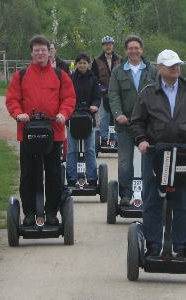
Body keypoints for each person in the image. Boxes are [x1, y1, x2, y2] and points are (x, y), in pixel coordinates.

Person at [130, 49, 186, 257]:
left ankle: (181, 245)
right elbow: (137, 121)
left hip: (183, 153)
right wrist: (142, 141)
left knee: (183, 200)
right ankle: (154, 244)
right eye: (171, 65)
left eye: (177, 64)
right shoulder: (148, 93)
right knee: (152, 199)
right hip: (155, 153)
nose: (176, 68)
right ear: (160, 68)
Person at [6, 35, 76, 226]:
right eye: (36, 50)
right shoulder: (21, 75)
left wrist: (63, 114)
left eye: (43, 50)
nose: (40, 53)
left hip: (54, 132)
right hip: (28, 133)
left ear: (49, 52)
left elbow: (69, 98)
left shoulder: (60, 75)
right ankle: (29, 213)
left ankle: (52, 212)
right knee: (28, 173)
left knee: (53, 173)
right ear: (32, 53)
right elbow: (12, 99)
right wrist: (19, 113)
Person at [108, 35, 156, 206]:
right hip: (125, 124)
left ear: (142, 50)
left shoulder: (152, 71)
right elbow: (113, 95)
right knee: (125, 162)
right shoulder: (118, 71)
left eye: (137, 48)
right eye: (130, 48)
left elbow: (159, 95)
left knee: (147, 161)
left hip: (146, 126)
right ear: (126, 50)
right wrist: (118, 114)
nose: (134, 51)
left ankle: (145, 194)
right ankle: (126, 195)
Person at [66, 53, 100, 187]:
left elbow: (97, 97)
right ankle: (71, 178)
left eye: (85, 63)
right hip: (72, 117)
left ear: (88, 64)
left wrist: (95, 106)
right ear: (76, 64)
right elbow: (66, 96)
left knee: (90, 149)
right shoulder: (70, 79)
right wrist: (69, 107)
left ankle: (92, 178)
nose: (82, 65)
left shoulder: (93, 79)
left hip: (87, 117)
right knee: (72, 149)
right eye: (79, 63)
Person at [91, 36, 122, 146]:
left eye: (110, 44)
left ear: (113, 45)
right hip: (103, 93)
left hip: (117, 93)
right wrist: (99, 86)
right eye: (106, 45)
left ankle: (117, 139)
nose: (108, 46)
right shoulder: (97, 60)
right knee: (104, 116)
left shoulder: (119, 59)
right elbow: (93, 76)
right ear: (103, 46)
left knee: (117, 115)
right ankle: (104, 138)